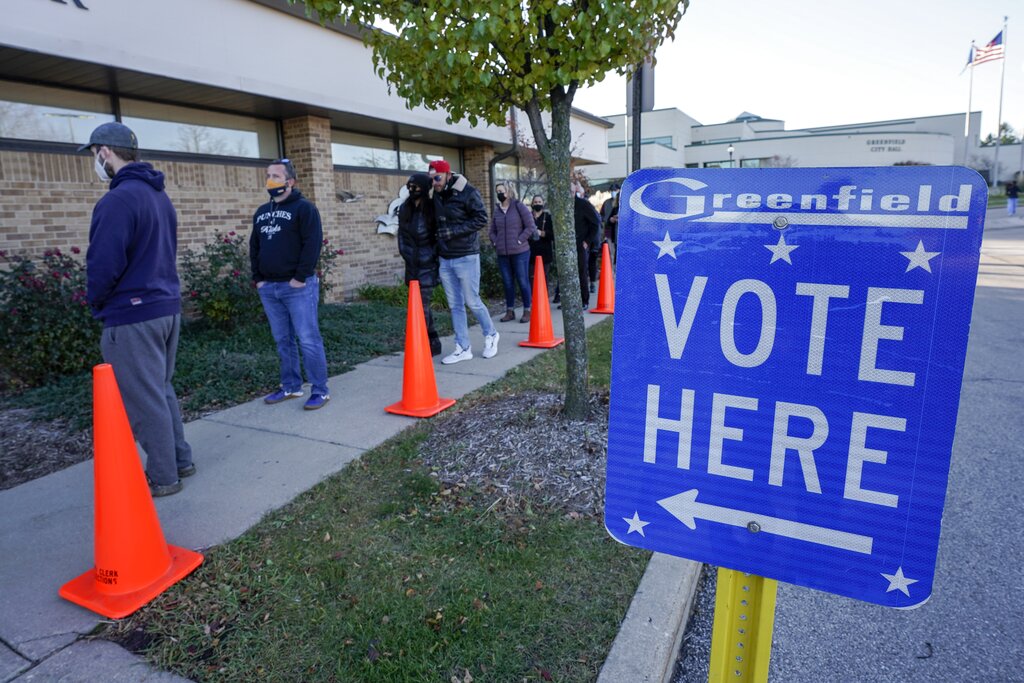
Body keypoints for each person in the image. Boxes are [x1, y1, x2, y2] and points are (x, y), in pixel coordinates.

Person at [80, 122, 194, 497]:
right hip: (165, 307)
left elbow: (103, 265)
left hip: (133, 315)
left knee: (145, 400)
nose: (95, 162)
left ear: (104, 153)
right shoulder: (158, 196)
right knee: (160, 391)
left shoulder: (117, 200)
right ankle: (180, 460)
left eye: (95, 154)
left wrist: (96, 301)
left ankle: (163, 477)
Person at [250, 158, 331, 410]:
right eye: (268, 175)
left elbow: (312, 244)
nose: (270, 180)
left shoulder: (305, 209)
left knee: (308, 339)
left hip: (297, 287)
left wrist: (299, 277)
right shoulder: (262, 212)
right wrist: (258, 278)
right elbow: (255, 246)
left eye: (276, 175)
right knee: (282, 339)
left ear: (290, 181)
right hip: (270, 288)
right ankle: (291, 386)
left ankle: (320, 390)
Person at [429, 160, 499, 364]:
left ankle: (491, 334)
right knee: (455, 305)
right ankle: (463, 347)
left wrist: (453, 232)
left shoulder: (467, 192)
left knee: (472, 301)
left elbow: (482, 218)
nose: (434, 182)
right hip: (445, 257)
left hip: (466, 255)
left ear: (447, 174)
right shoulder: (435, 195)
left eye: (437, 178)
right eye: (431, 179)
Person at [397, 173, 443, 356]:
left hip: (427, 265)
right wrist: (406, 254)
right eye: (410, 186)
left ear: (424, 188)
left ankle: (419, 345)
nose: (412, 190)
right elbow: (402, 235)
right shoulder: (404, 208)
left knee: (421, 307)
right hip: (412, 264)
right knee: (419, 305)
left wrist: (431, 257)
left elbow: (437, 236)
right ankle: (434, 341)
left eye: (415, 186)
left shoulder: (432, 208)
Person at [489, 182, 536, 323]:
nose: (499, 194)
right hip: (503, 254)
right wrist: (495, 241)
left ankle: (527, 310)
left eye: (501, 191)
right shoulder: (497, 210)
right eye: (497, 191)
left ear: (508, 192)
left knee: (522, 282)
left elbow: (530, 226)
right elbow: (491, 231)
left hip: (520, 252)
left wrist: (519, 241)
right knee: (508, 283)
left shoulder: (518, 206)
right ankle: (510, 311)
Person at [571, 181, 600, 309]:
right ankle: (569, 300)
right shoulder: (562, 206)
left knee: (581, 273)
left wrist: (587, 241)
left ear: (575, 191)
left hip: (580, 244)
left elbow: (595, 223)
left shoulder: (583, 204)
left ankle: (584, 300)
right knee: (569, 274)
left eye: (571, 191)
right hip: (567, 245)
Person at [529, 195, 555, 294]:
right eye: (535, 202)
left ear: (543, 203)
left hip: (545, 252)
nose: (537, 204)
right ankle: (533, 298)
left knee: (544, 276)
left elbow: (553, 235)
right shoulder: (528, 217)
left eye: (539, 202)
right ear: (532, 204)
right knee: (532, 276)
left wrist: (542, 233)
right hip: (531, 252)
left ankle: (544, 297)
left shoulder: (548, 217)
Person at [600, 184, 620, 264]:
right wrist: (607, 220)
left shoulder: (622, 205)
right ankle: (611, 271)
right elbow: (601, 216)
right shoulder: (606, 203)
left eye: (615, 191)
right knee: (610, 252)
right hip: (609, 231)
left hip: (618, 232)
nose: (613, 192)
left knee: (617, 253)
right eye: (612, 191)